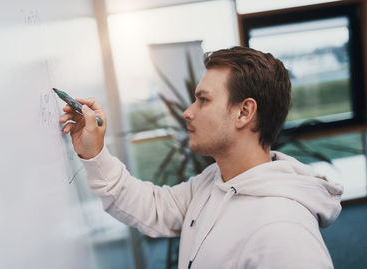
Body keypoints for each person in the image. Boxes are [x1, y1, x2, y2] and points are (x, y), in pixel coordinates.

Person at [59, 46, 343, 269]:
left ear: (244, 112)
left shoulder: (284, 232)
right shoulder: (214, 181)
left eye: (203, 100)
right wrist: (94, 152)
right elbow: (155, 208)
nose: (188, 112)